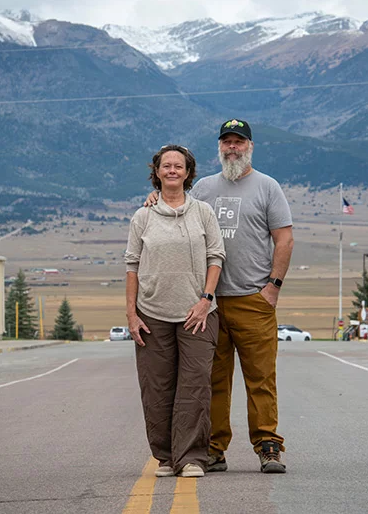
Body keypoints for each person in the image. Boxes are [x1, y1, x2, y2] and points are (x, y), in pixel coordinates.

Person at [146, 119, 294, 474]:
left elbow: (284, 239)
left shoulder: (267, 187)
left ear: (250, 147)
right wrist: (152, 197)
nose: (232, 147)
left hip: (252, 299)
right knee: (212, 379)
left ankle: (268, 445)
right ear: (219, 148)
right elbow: (174, 206)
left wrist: (272, 286)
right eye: (226, 142)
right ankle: (213, 447)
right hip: (208, 303)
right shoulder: (205, 188)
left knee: (261, 377)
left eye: (238, 142)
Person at [125, 144, 226, 479]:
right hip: (152, 313)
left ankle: (193, 457)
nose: (172, 170)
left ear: (188, 172)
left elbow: (216, 257)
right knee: (156, 388)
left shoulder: (203, 213)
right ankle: (166, 457)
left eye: (178, 166)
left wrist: (205, 299)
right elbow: (132, 266)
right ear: (156, 172)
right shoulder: (142, 216)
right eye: (165, 165)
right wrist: (131, 314)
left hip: (197, 313)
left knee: (195, 386)